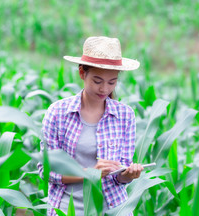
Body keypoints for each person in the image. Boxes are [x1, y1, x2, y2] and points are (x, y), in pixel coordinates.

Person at [37, 36, 144, 216]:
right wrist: (90, 173)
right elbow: (46, 171)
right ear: (82, 73)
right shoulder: (57, 112)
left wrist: (129, 174)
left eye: (112, 82)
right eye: (97, 81)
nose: (104, 89)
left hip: (113, 209)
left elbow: (120, 175)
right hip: (67, 209)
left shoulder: (125, 115)